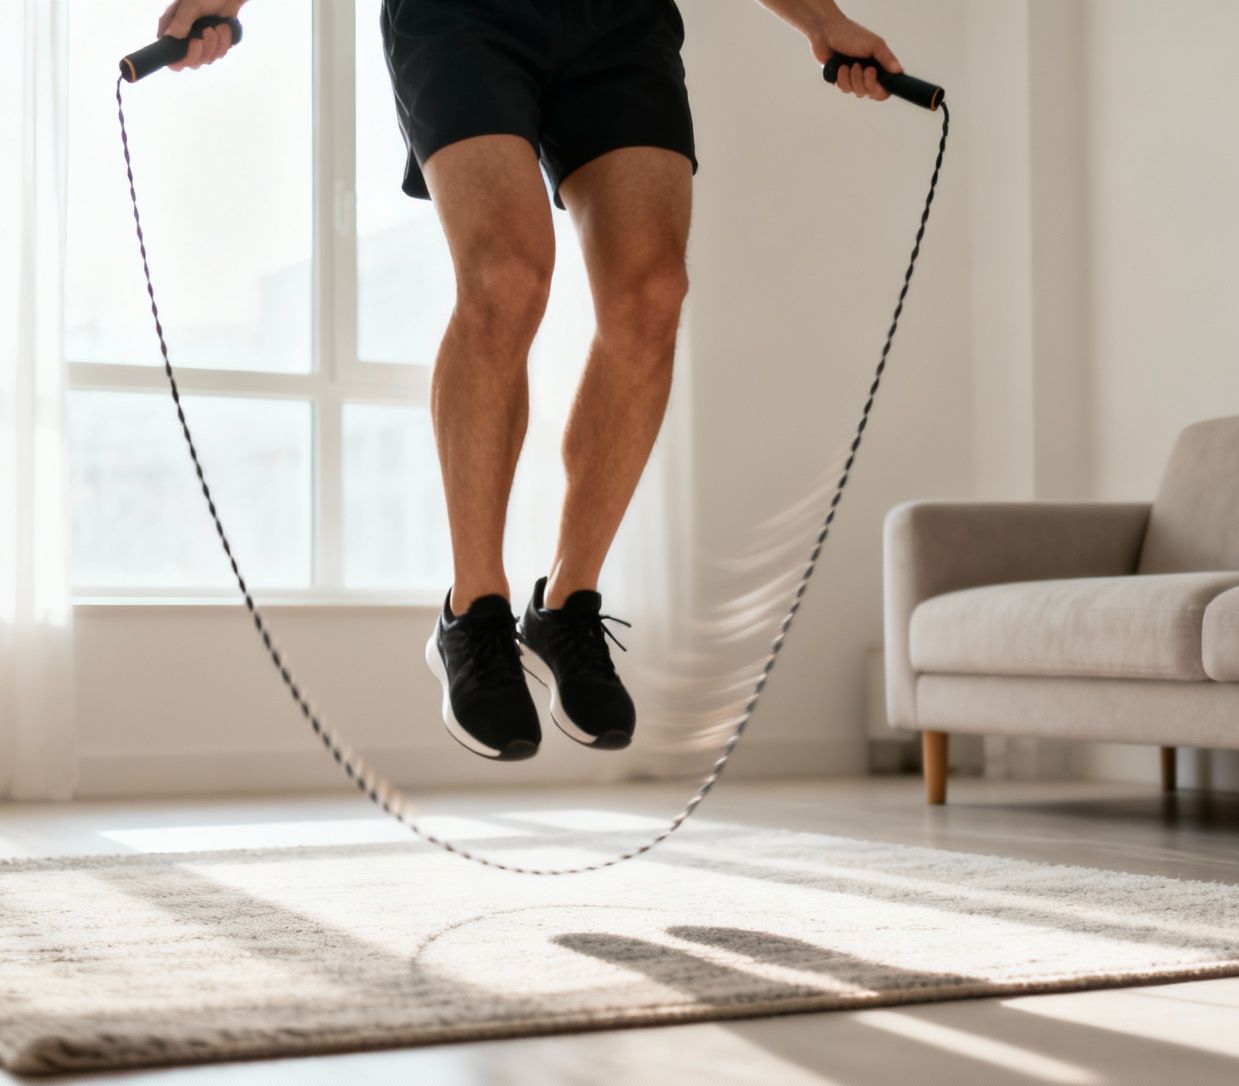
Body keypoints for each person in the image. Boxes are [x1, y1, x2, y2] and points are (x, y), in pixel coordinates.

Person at [156, 0, 904, 760]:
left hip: (621, 21)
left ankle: (565, 607)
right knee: (506, 278)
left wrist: (821, 20)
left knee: (652, 295)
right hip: (461, 18)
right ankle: (473, 612)